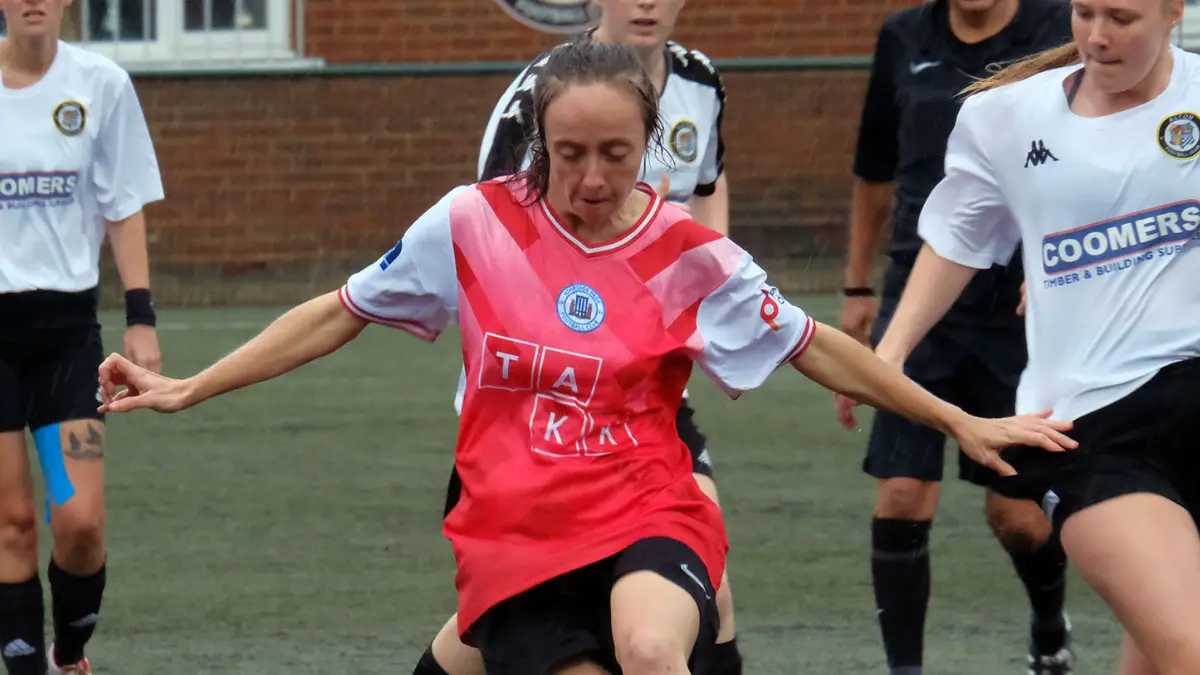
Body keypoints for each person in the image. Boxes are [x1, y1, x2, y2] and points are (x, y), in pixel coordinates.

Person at [95, 39, 1075, 675]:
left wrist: (956, 417)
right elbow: (338, 311)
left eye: (616, 153)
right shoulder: (472, 224)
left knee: (652, 652)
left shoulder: (688, 254)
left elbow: (813, 346)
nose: (593, 177)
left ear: (652, 146)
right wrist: (192, 386)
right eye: (570, 154)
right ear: (538, 143)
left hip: (646, 501)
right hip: (512, 528)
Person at [860, 0, 1200, 670]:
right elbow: (958, 238)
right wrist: (888, 357)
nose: (1096, 36)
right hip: (1094, 430)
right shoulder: (1006, 117)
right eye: (1084, 12)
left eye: (1122, 18)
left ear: (1172, 13)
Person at [425, 1, 740, 674]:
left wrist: (706, 288)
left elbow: (709, 187)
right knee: (514, 624)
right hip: (532, 403)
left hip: (633, 383)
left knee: (695, 592)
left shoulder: (701, 80)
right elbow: (498, 242)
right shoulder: (539, 98)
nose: (647, 3)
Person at [839, 0, 1077, 672]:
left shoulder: (1063, 30)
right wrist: (858, 289)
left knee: (1020, 517)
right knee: (903, 492)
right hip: (921, 291)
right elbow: (873, 171)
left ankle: (1050, 625)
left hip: (1017, 310)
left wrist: (1056, 258)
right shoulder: (903, 38)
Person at [0, 0, 165, 674]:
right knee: (11, 522)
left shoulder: (102, 85)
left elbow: (123, 204)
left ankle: (70, 650)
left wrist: (142, 316)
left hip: (69, 337)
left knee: (80, 520)